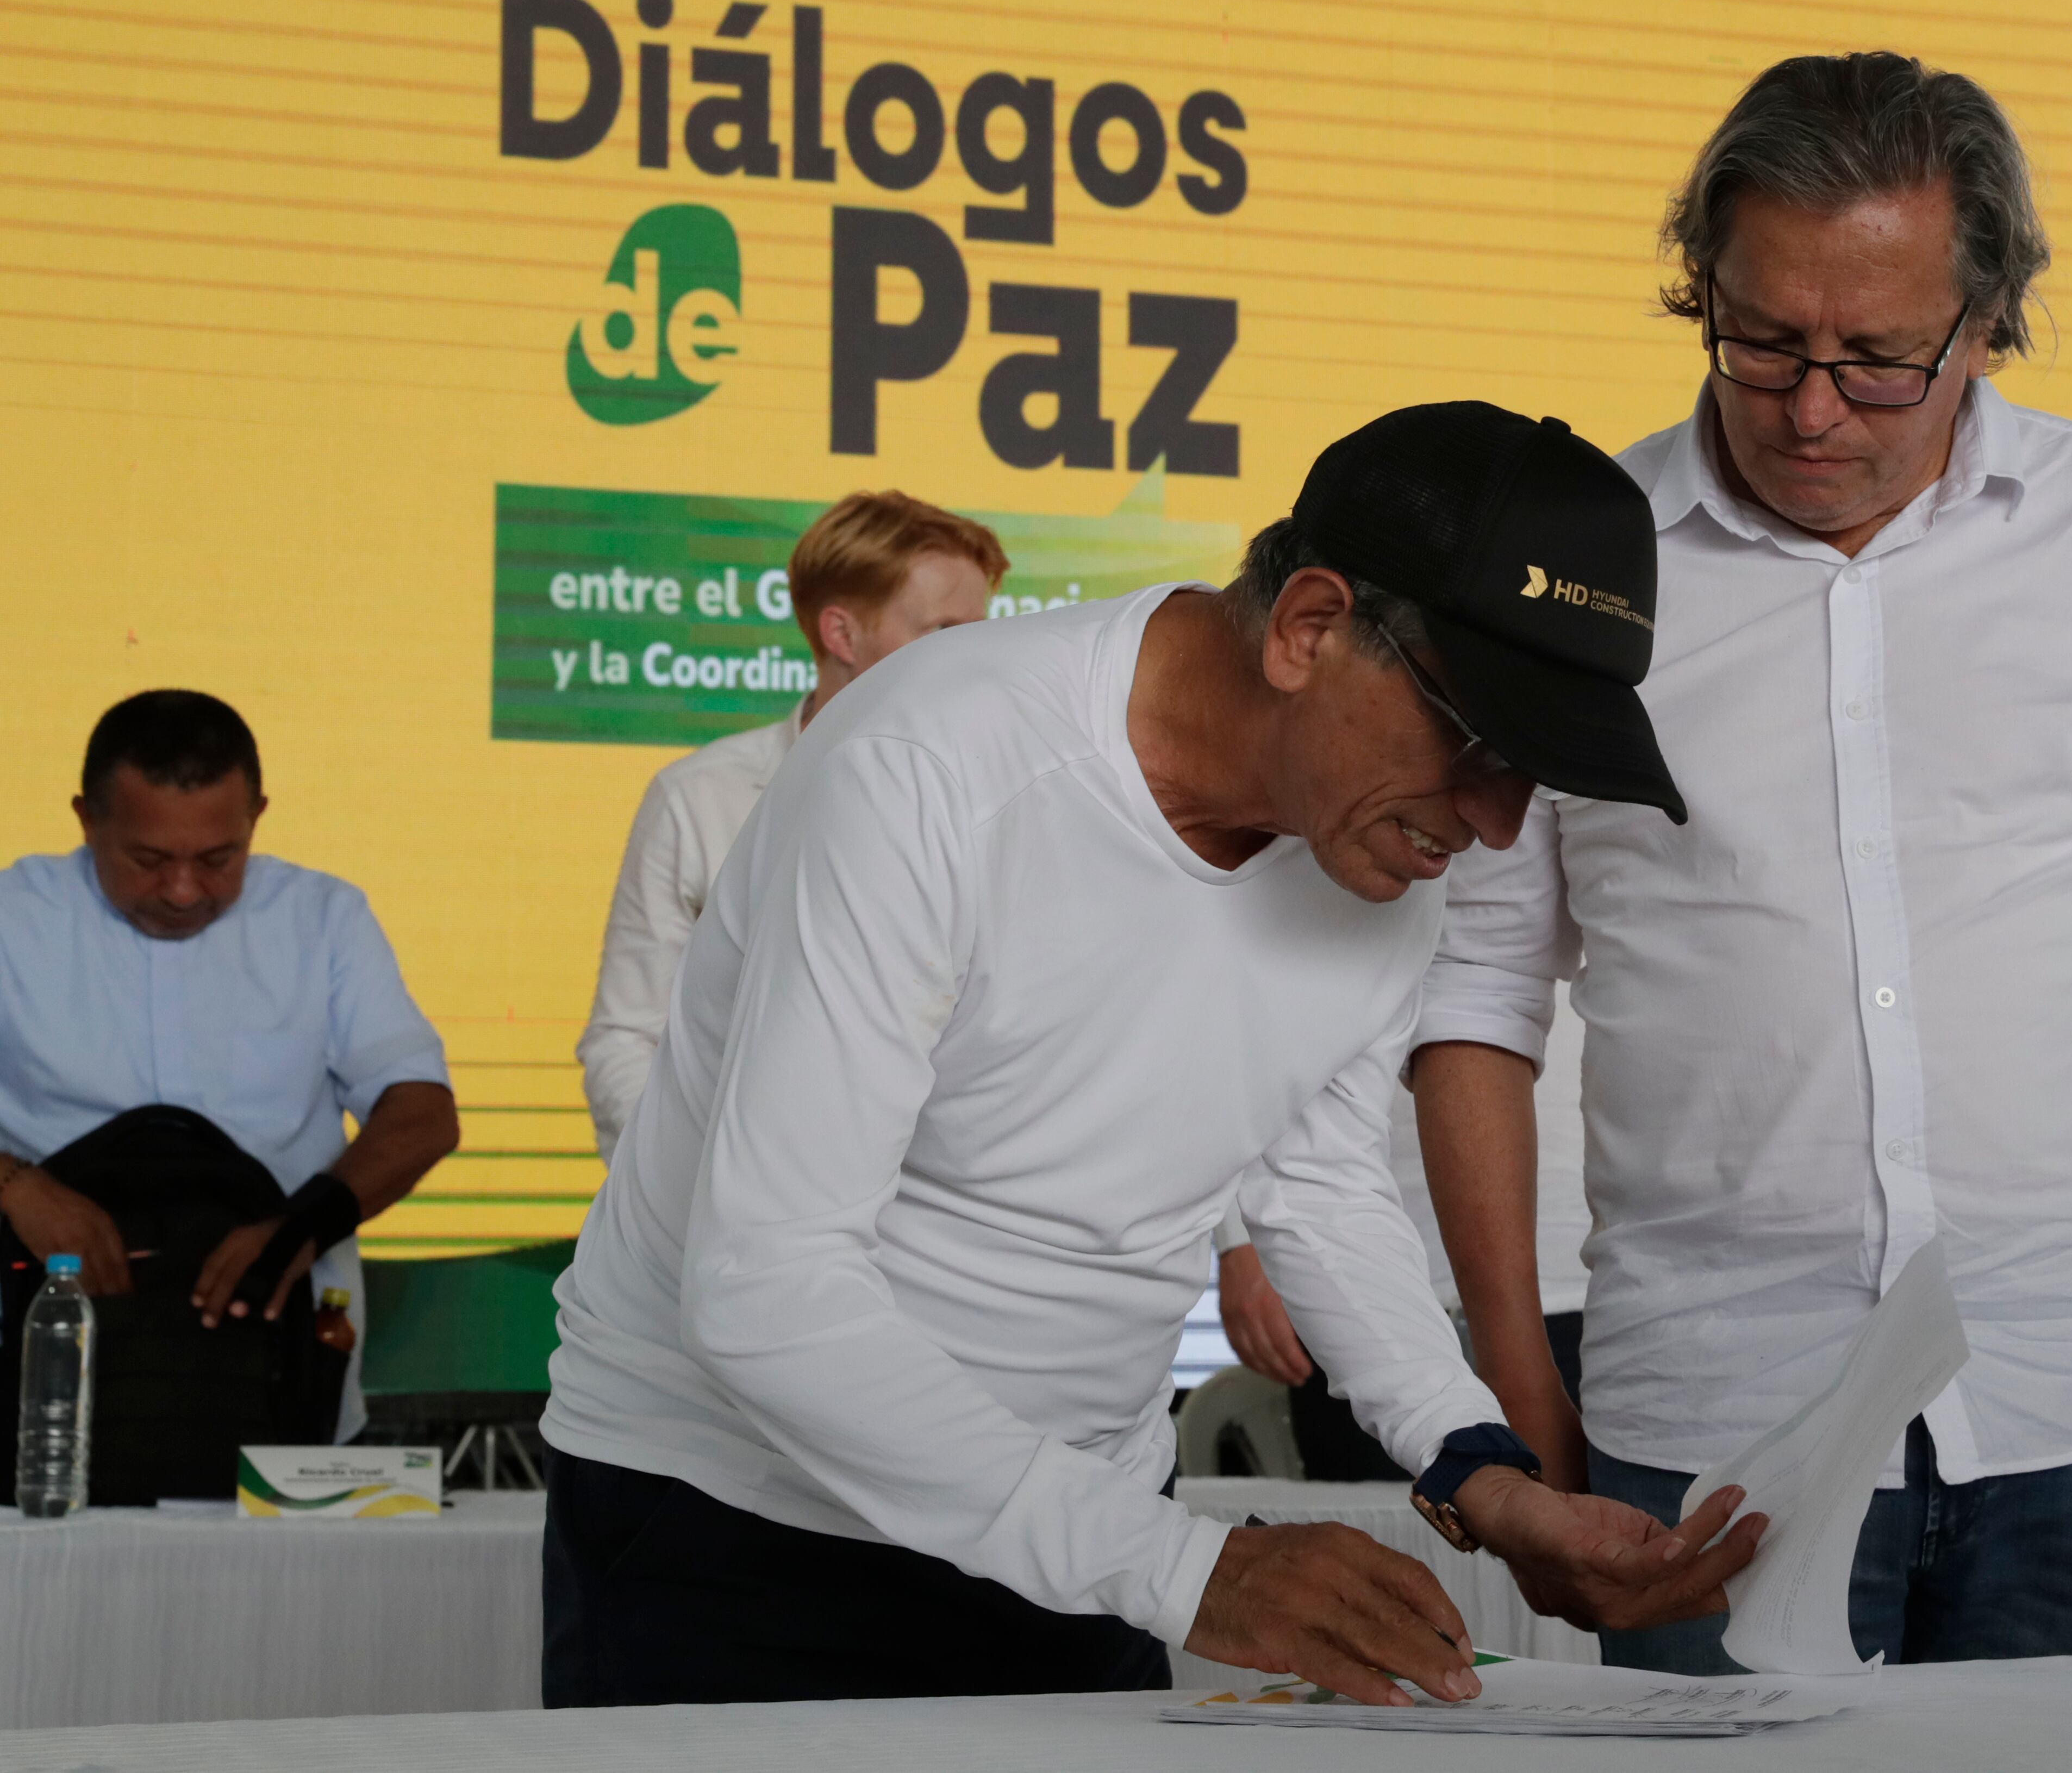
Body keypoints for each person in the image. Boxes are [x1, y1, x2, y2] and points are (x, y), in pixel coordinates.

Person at [539, 403, 1764, 1710]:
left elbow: (1314, 1187)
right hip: (732, 1530)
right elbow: (765, 1292)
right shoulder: (929, 770)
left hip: (1078, 1543)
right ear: (1308, 627)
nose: (1497, 823)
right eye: (1480, 745)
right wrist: (1191, 1573)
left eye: (1538, 777)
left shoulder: (1385, 854)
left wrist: (1478, 1468)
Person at [1410, 53, 2072, 1674]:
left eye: (1875, 361)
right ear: (1700, 287)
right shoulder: (1582, 570)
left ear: (1983, 320)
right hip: (1708, 1427)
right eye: (1761, 340)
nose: (1807, 408)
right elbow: (1474, 991)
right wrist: (1512, 1395)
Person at [0, 691, 459, 1441]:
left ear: (258, 816)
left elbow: (423, 1114)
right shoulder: (11, 917)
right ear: (87, 820)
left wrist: (302, 1224)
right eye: (148, 860)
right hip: (37, 1382)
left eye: (220, 859)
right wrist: (16, 1186)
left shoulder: (325, 919)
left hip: (281, 1380)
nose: (185, 892)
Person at [578, 492, 1007, 1164]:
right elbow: (626, 1040)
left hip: (950, 1227)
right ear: (841, 635)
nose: (976, 659)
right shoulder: (699, 798)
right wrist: (699, 1204)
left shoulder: (1013, 801)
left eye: (981, 632)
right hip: (723, 1223)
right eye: (944, 632)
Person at [1214, 981, 1591, 1472]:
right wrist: (1237, 1237)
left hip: (1570, 1270)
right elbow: (1239, 1008)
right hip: (1342, 1266)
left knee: (1591, 1532)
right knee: (1378, 1538)